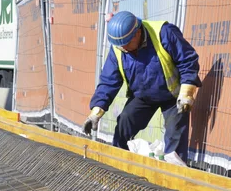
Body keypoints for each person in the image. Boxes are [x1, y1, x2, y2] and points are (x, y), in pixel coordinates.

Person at [83, 11, 200, 165]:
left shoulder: (163, 33)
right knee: (124, 124)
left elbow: (188, 61)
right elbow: (108, 82)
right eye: (120, 45)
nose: (123, 48)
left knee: (174, 135)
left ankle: (174, 176)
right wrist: (96, 113)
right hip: (143, 96)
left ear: (137, 33)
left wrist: (186, 94)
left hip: (174, 96)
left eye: (126, 43)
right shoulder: (119, 48)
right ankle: (118, 166)